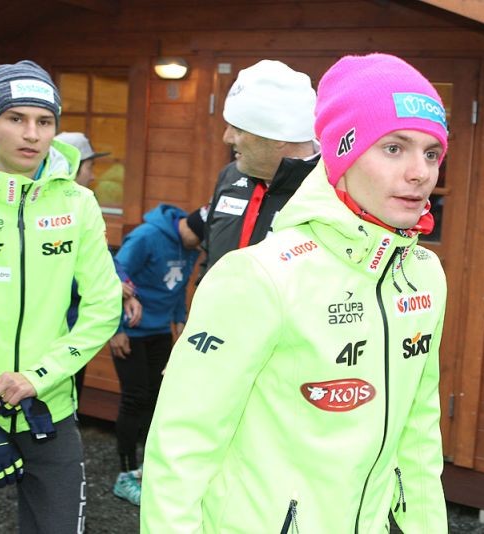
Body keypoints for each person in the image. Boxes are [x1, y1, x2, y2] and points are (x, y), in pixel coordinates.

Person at [142, 53, 449, 532]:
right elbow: (182, 448)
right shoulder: (258, 275)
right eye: (394, 148)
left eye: (431, 153)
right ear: (343, 155)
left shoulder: (423, 274)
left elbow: (419, 432)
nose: (420, 172)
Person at [0, 60, 121, 532]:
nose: (32, 134)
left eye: (44, 121)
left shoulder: (78, 202)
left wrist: (38, 376)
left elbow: (103, 307)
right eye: (16, 118)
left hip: (48, 409)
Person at [109, 203, 204, 506]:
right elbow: (113, 278)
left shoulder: (191, 247)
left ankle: (148, 469)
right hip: (131, 332)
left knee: (157, 400)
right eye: (200, 244)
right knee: (134, 398)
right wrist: (115, 328)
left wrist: (180, 321)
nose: (199, 251)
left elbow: (177, 289)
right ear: (190, 230)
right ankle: (125, 474)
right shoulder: (146, 237)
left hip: (160, 331)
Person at [199, 59, 319, 279]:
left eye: (238, 129)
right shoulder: (230, 176)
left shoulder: (331, 188)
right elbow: (209, 260)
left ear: (279, 135)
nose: (227, 138)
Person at [56, 131, 143, 403]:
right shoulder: (46, 208)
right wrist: (112, 287)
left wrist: (123, 285)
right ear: (72, 167)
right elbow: (55, 273)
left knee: (71, 403)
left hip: (76, 332)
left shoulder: (83, 204)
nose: (94, 175)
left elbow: (102, 255)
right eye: (90, 166)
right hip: (53, 335)